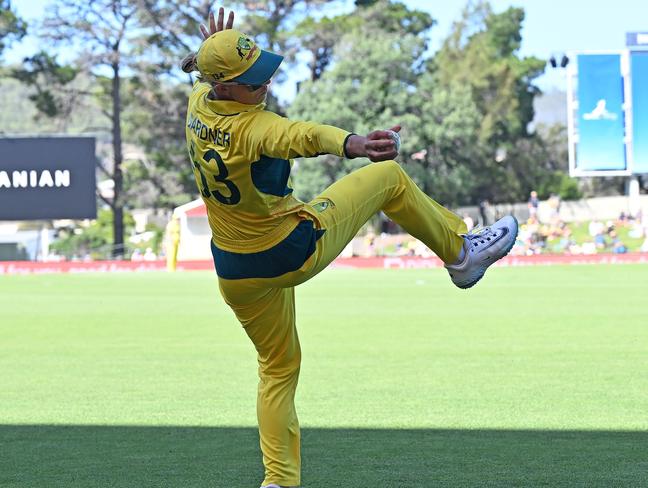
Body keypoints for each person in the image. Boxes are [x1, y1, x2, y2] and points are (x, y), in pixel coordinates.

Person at [181, 8, 518, 488]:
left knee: (277, 368)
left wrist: (213, 52)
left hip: (235, 273)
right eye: (254, 84)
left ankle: (278, 482)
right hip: (287, 249)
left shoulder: (199, 104)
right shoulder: (254, 128)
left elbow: (198, 78)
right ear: (226, 88)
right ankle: (461, 254)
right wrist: (355, 144)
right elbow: (302, 136)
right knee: (388, 178)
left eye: (263, 76)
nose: (265, 87)